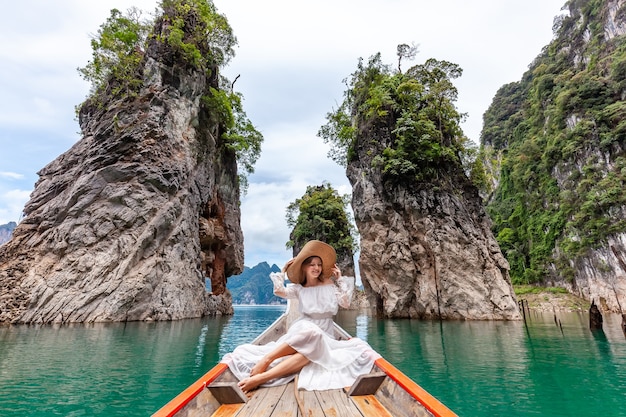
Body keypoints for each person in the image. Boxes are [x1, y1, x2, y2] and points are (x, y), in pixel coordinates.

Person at [221, 240, 380, 393]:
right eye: (312, 264)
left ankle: (261, 378)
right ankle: (266, 359)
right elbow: (278, 291)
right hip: (304, 327)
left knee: (309, 353)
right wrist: (283, 271)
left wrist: (339, 279)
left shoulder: (330, 284)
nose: (316, 268)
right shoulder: (298, 288)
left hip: (326, 331)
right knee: (313, 335)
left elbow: (345, 303)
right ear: (304, 267)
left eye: (319, 265)